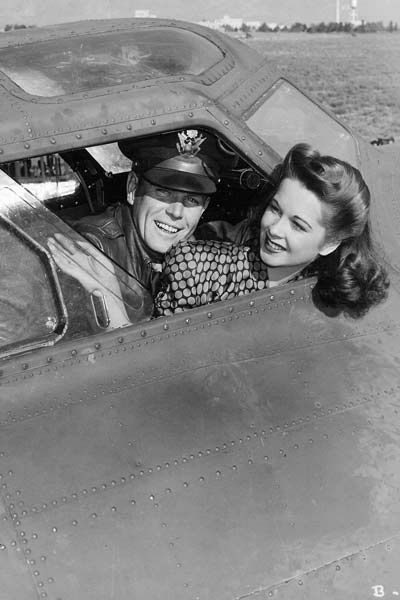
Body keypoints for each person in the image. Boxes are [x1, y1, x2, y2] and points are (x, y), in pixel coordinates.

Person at [154, 143, 389, 319]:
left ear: (330, 243)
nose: (275, 229)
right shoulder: (193, 265)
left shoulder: (329, 297)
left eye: (297, 225)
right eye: (275, 209)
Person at [48, 129, 222, 323]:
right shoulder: (94, 249)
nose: (176, 212)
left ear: (204, 208)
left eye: (191, 199)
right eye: (163, 192)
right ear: (132, 188)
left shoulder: (208, 249)